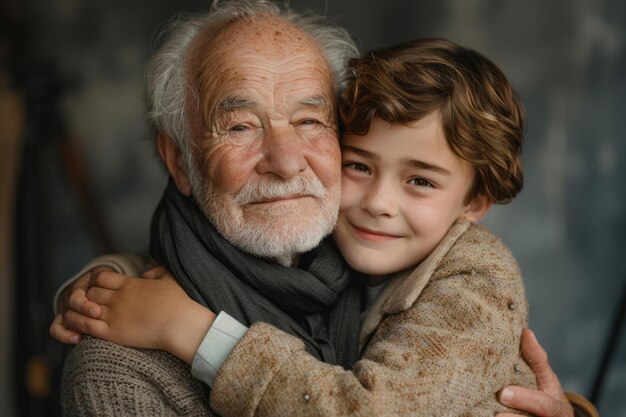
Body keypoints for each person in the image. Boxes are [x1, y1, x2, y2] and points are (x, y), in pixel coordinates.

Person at [50, 2, 596, 417]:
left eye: (310, 121)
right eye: (240, 125)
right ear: (181, 162)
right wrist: (105, 282)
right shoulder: (118, 371)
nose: (288, 164)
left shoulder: (395, 259)